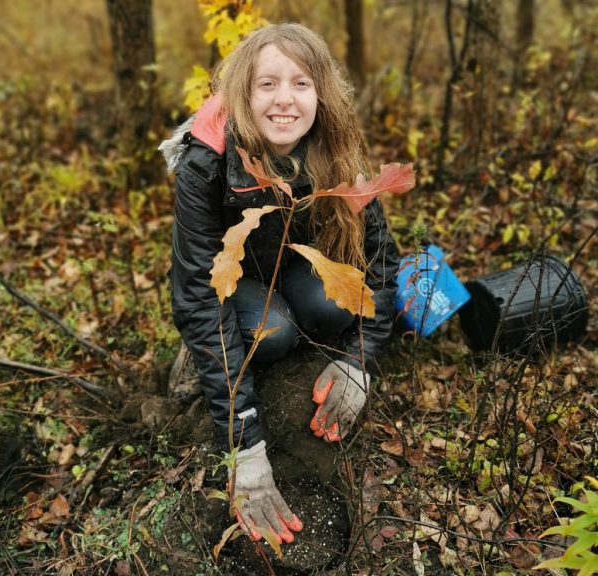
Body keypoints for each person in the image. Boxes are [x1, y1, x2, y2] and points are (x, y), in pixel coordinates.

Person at [159, 23, 400, 545]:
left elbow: (381, 259)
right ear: (243, 92)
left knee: (339, 308)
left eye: (301, 83)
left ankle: (298, 317)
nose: (284, 100)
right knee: (273, 333)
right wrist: (244, 448)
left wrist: (360, 361)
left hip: (291, 265)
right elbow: (200, 294)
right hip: (236, 279)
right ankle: (217, 351)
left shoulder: (337, 146)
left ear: (322, 92)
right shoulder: (206, 161)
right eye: (266, 84)